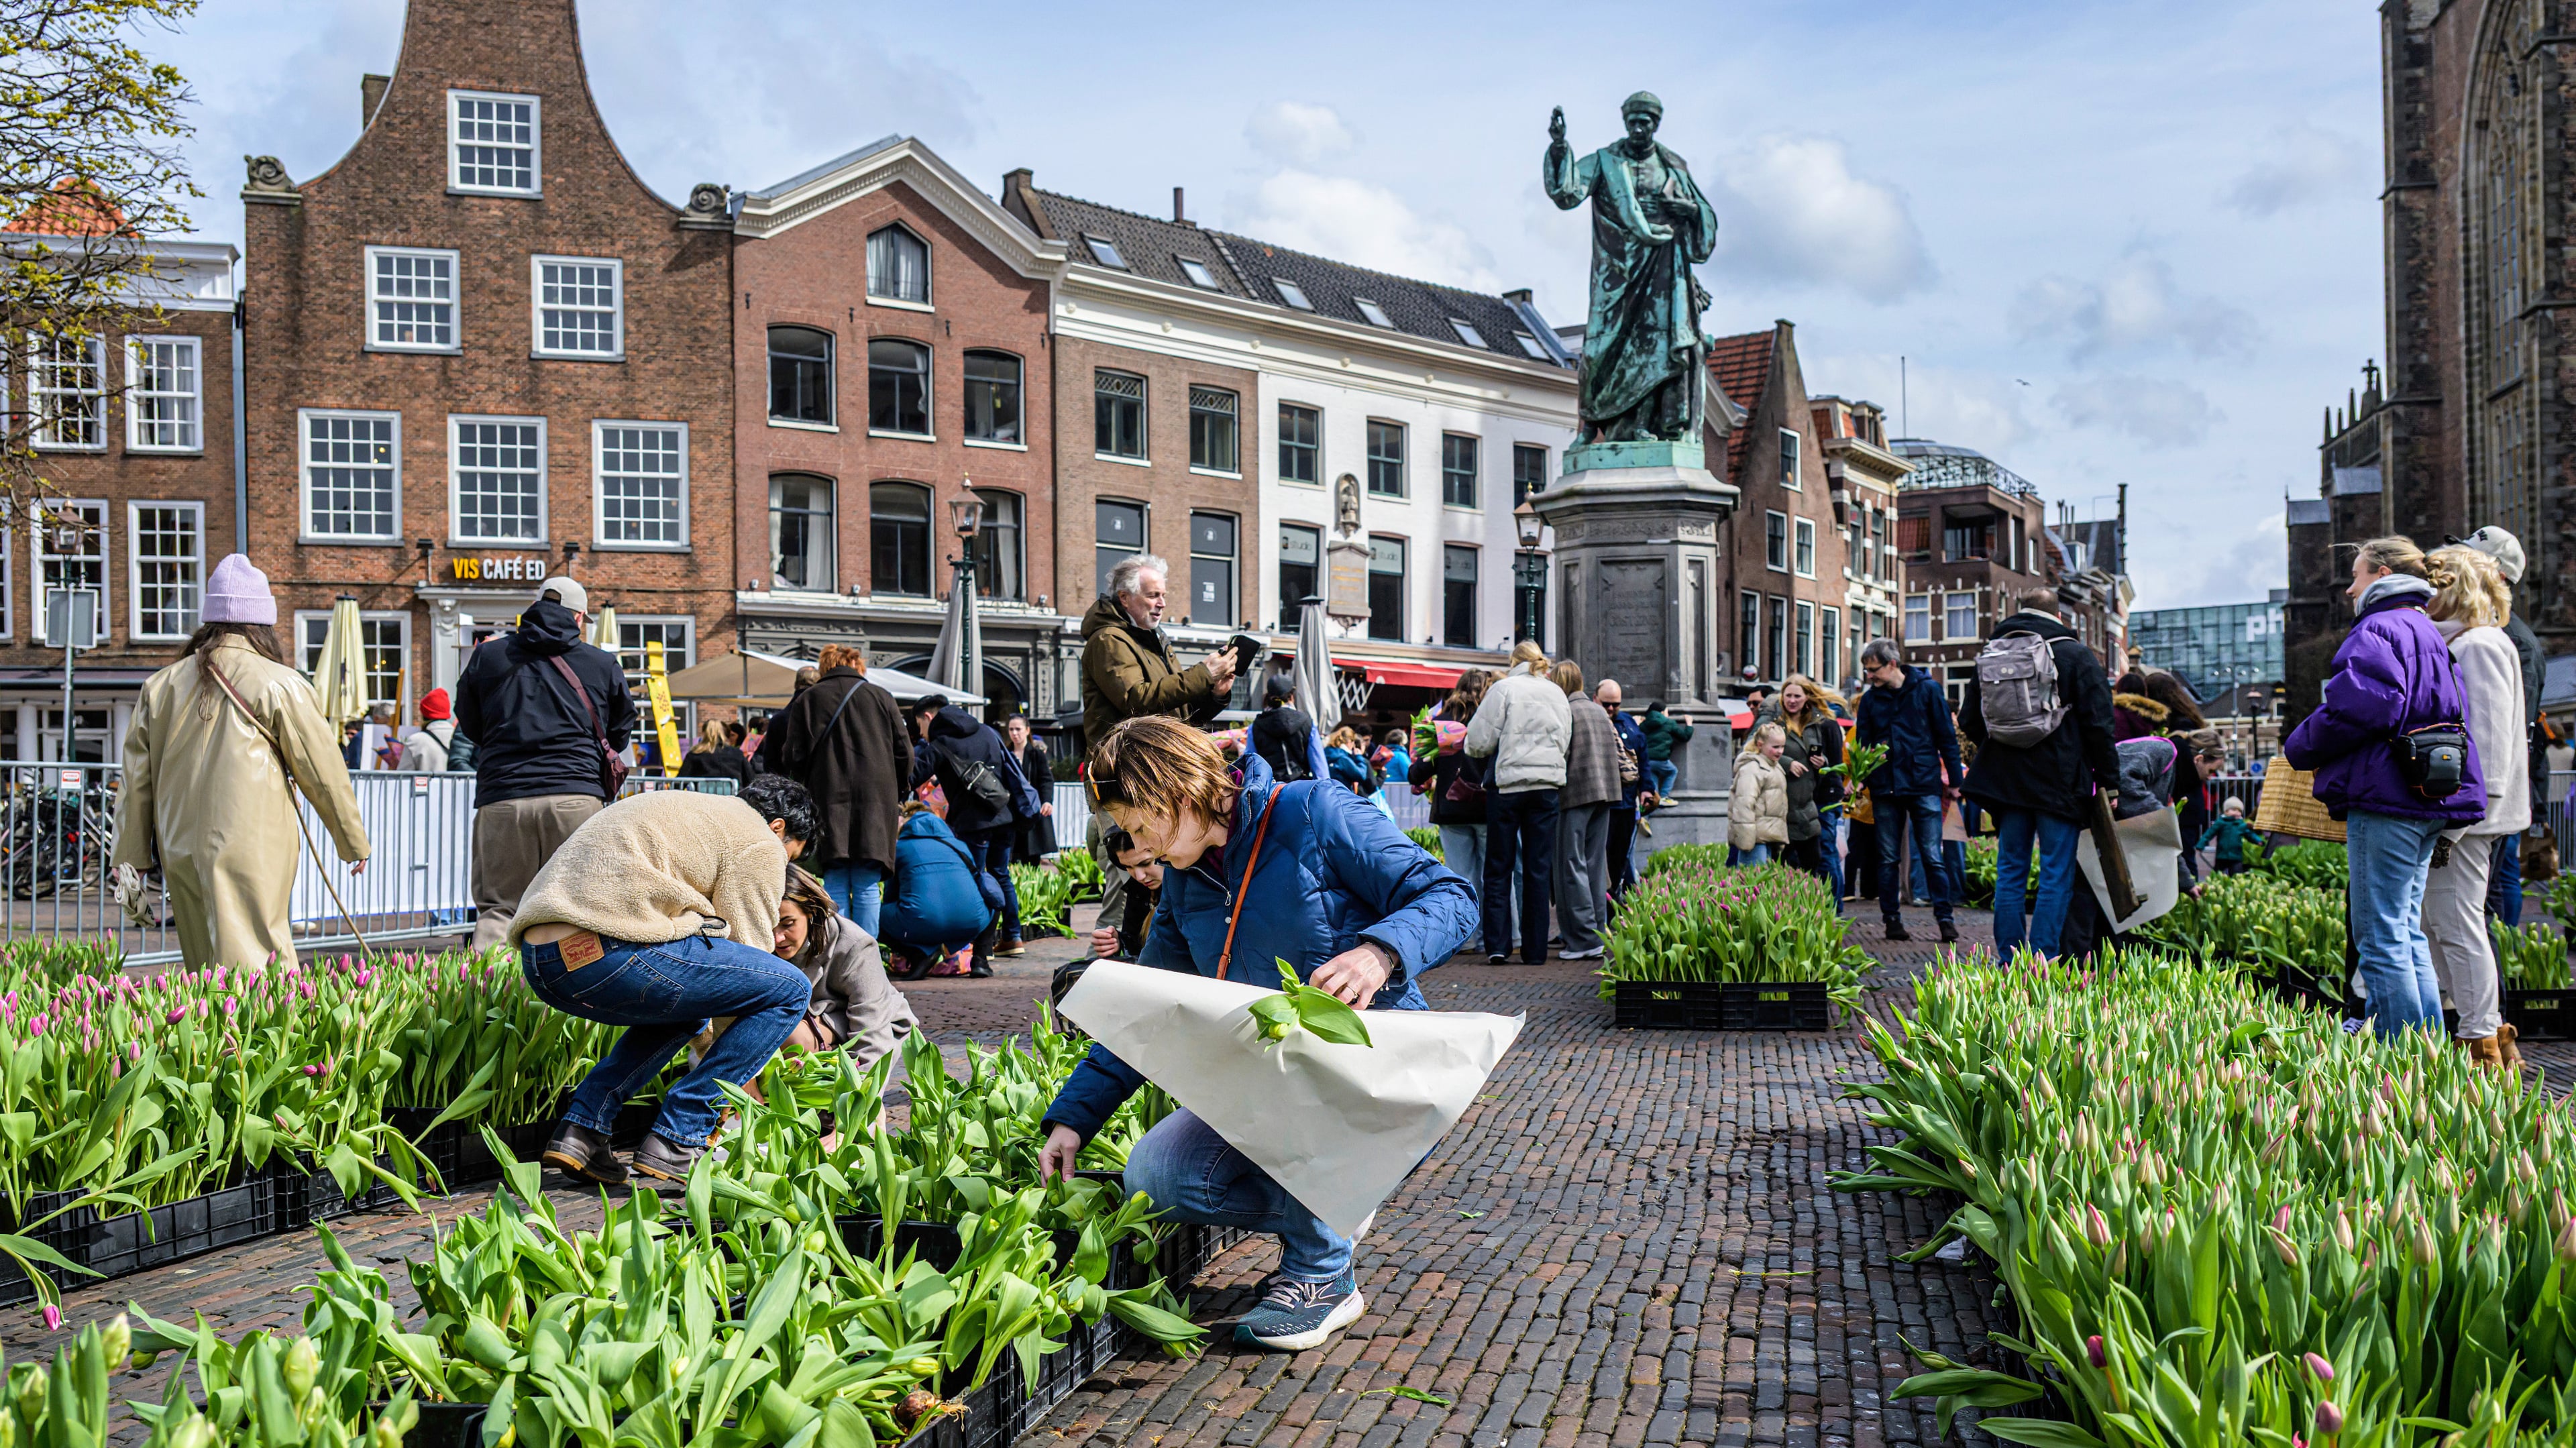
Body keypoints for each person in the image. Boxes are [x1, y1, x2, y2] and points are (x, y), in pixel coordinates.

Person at [1035, 715, 1475, 1352]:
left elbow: (1451, 895)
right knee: (1158, 1174)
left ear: (1175, 793)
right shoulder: (1188, 880)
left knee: (1300, 1092)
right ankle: (1337, 1198)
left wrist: (1379, 954)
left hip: (1372, 1066)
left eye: (1138, 826)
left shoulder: (1313, 813)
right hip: (1273, 1083)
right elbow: (1151, 1012)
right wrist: (1074, 1117)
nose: (1140, 849)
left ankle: (1322, 1275)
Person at [519, 775, 819, 1184]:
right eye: (789, 858)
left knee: (688, 1010)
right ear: (779, 827)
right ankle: (680, 1139)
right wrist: (738, 1088)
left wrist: (707, 1036)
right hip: (611, 949)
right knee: (791, 989)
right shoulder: (758, 839)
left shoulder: (691, 809)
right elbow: (752, 954)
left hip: (545, 961)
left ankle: (583, 1129)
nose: (782, 867)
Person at [113, 555, 370, 968]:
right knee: (260, 959)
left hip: (179, 843)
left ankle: (214, 1032)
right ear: (261, 622)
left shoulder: (159, 686)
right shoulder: (280, 682)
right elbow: (321, 769)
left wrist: (130, 859)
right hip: (254, 838)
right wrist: (351, 838)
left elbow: (136, 782)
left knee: (203, 962)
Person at [2282, 536, 2487, 1038]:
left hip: (2386, 795)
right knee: (2404, 930)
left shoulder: (2378, 627)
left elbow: (2365, 707)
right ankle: (2427, 1055)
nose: (2350, 588)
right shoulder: (2427, 628)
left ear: (2379, 574)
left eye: (2356, 575)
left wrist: (2300, 744)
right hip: (2426, 794)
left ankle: (2402, 1060)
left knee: (2379, 935)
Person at [453, 576, 635, 950]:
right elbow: (620, 730)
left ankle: (490, 1001)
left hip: (504, 795)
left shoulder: (488, 656)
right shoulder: (601, 663)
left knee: (500, 909)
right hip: (577, 796)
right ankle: (575, 1005)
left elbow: (469, 723)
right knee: (578, 908)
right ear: (580, 617)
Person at [1081, 553, 1239, 948]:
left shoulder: (1154, 641)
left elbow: (1176, 717)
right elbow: (1137, 700)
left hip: (1155, 777)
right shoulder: (1108, 641)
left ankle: (1150, 966)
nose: (1161, 603)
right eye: (1153, 595)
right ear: (1124, 598)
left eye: (1162, 595)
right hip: (1124, 781)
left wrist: (1215, 694)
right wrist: (1203, 673)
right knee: (1127, 881)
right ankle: (1096, 984)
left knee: (1162, 878)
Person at [1957, 590, 2118, 960]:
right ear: (2059, 616)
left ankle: (2010, 960)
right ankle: (2043, 961)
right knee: (2054, 873)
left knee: (2011, 869)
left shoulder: (1994, 652)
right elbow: (2100, 725)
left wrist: (2004, 744)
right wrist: (2109, 782)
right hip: (2060, 782)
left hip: (2007, 783)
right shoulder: (2076, 655)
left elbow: (1969, 718)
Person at [2420, 544, 2528, 1066]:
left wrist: (2461, 821)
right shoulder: (2478, 641)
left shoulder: (2478, 646)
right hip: (2472, 812)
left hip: (2470, 816)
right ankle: (2482, 1034)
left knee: (2456, 923)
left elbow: (2488, 745)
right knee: (2445, 922)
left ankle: (2482, 1038)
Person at [768, 645, 912, 934]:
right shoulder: (881, 697)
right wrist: (898, 791)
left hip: (827, 800)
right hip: (876, 804)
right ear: (858, 665)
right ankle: (868, 958)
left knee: (834, 881)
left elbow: (793, 755)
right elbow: (905, 753)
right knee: (867, 884)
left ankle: (838, 955)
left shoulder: (809, 699)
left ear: (825, 666)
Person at [910, 694, 1039, 970]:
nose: (920, 731)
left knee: (978, 883)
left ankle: (976, 955)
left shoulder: (940, 744)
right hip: (1004, 817)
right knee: (1000, 877)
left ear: (929, 717)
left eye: (919, 724)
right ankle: (1002, 943)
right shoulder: (987, 731)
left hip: (972, 825)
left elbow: (911, 777)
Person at [1465, 640, 1572, 964]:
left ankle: (1498, 946)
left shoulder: (1505, 689)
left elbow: (1479, 741)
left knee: (1499, 868)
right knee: (1538, 870)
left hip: (1508, 786)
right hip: (1546, 788)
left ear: (1514, 661)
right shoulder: (1557, 693)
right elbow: (1565, 739)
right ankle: (1535, 951)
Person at [2461, 524, 2545, 926]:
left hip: (2496, 788)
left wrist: (2490, 796)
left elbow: (2513, 722)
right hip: (2494, 786)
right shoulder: (2490, 631)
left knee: (2494, 888)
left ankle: (2501, 974)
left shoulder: (2510, 639)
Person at [1856, 639, 1963, 943]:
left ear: (1892, 664)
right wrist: (1860, 777)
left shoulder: (1928, 690)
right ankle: (1892, 920)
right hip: (1886, 785)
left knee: (1931, 855)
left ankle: (1945, 920)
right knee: (1888, 857)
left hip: (1922, 782)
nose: (1869, 676)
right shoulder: (1870, 700)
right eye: (1866, 671)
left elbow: (1946, 736)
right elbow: (1862, 744)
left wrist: (1955, 781)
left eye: (1873, 670)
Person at [771, 865, 918, 1068]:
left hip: (867, 1021)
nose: (777, 938)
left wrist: (861, 1093)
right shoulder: (757, 939)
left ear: (811, 912)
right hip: (809, 1018)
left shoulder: (855, 946)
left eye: (788, 924)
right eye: (770, 925)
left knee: (793, 1039)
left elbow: (872, 1028)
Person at [879, 800, 1001, 981]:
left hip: (920, 921)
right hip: (969, 920)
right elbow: (980, 887)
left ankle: (917, 955)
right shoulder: (959, 846)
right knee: (994, 901)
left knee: (873, 914)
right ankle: (980, 960)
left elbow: (890, 896)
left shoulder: (900, 849)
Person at [1554, 659, 1619, 960]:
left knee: (1571, 865)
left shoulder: (1565, 711)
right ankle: (1598, 931)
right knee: (1595, 866)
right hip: (1606, 792)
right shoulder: (1598, 711)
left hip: (1575, 794)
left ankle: (1581, 939)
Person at [1760, 675, 1847, 903]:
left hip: (1820, 799)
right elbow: (1762, 752)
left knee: (1825, 855)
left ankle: (1832, 911)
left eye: (1797, 696)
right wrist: (1787, 763)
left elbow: (1836, 764)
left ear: (1807, 697)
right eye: (1788, 695)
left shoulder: (1824, 724)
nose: (1791, 700)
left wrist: (1824, 763)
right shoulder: (1776, 724)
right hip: (1788, 801)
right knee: (1788, 859)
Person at [1596, 678, 1648, 901]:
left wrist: (1647, 788)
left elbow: (1643, 759)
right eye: (1606, 704)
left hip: (1626, 803)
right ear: (1595, 699)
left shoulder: (1628, 723)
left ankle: (1612, 903)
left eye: (1615, 705)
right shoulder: (1593, 720)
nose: (1610, 709)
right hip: (1603, 805)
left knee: (1619, 858)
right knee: (1602, 860)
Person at [1087, 824, 1163, 960]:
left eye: (1145, 863)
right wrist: (1118, 941)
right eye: (1128, 867)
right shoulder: (1137, 889)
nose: (1139, 877)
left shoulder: (1188, 890)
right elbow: (1137, 944)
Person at [1727, 722, 1791, 865]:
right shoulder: (1752, 769)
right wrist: (1746, 841)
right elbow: (1744, 805)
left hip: (1766, 836)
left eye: (1782, 747)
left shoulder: (1773, 767)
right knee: (1752, 879)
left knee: (1761, 880)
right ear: (1760, 745)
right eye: (1775, 747)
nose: (1780, 751)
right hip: (1754, 839)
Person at [1005, 714, 1059, 865]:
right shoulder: (1006, 754)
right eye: (1011, 729)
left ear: (1027, 730)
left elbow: (1046, 780)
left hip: (1032, 811)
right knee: (1011, 856)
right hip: (1012, 811)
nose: (1015, 733)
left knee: (1032, 856)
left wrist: (1047, 801)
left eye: (1018, 729)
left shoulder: (1036, 754)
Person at [1251, 673, 1319, 783]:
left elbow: (1252, 764)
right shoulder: (1307, 722)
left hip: (1271, 790)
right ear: (1292, 696)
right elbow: (1319, 766)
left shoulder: (1256, 725)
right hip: (1301, 787)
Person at [676, 716, 754, 787]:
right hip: (732, 798)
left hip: (704, 799)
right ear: (724, 733)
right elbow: (750, 778)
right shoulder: (737, 754)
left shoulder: (695, 754)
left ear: (704, 733)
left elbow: (680, 783)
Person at [395, 688, 460, 772]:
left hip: (427, 785)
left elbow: (403, 778)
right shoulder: (462, 738)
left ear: (424, 714)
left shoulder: (415, 741)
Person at [1639, 700, 1693, 800]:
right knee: (1672, 771)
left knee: (1653, 779)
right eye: (1667, 712)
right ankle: (1664, 796)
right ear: (1662, 712)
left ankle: (1655, 802)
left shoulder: (1644, 724)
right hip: (1661, 758)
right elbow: (1684, 737)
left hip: (1647, 760)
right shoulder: (1669, 723)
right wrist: (1689, 725)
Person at [2200, 797, 2257, 877]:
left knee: (2237, 874)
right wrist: (2201, 844)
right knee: (2218, 873)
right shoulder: (2220, 823)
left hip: (2236, 856)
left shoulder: (2241, 825)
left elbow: (2249, 835)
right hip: (2222, 855)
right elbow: (2209, 834)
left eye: (2239, 811)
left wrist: (2258, 841)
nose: (2237, 813)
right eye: (2234, 810)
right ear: (2226, 811)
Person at [1324, 726, 1377, 795]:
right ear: (1349, 742)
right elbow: (1361, 775)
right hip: (1342, 795)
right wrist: (1359, 757)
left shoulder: (1327, 754)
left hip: (1327, 793)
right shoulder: (1343, 759)